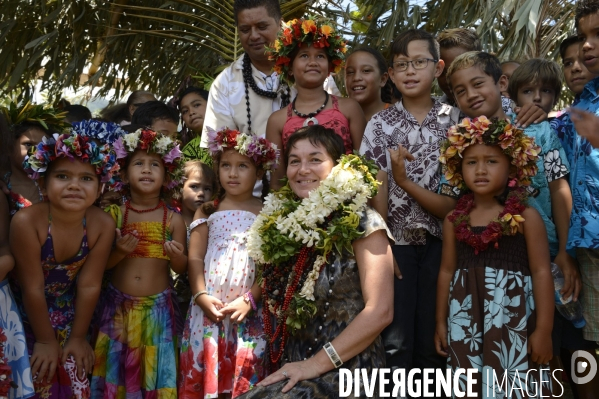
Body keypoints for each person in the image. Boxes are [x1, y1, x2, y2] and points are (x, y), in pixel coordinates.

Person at [238, 125, 393, 397]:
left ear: (338, 168)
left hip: (349, 372)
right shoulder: (285, 227)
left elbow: (380, 311)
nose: (303, 169)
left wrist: (315, 364)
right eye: (294, 161)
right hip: (294, 368)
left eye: (315, 159)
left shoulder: (363, 222)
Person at [360, 29, 460, 396]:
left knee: (432, 337)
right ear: (390, 73)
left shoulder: (456, 121)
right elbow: (376, 185)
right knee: (395, 339)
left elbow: (454, 199)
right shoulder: (381, 124)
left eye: (419, 62)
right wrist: (384, 244)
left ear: (438, 68)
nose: (410, 71)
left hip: (443, 244)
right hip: (397, 244)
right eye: (401, 65)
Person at [435, 116, 554, 396]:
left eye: (491, 161)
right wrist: (440, 322)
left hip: (513, 321)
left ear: (512, 166)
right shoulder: (454, 220)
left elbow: (541, 272)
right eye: (471, 162)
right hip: (466, 322)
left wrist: (545, 330)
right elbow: (445, 272)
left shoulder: (526, 217)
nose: (480, 170)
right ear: (458, 168)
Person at [10, 132, 118, 398]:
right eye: (62, 177)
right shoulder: (28, 222)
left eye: (86, 179)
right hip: (24, 313)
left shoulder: (101, 224)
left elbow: (90, 284)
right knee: (36, 376)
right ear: (43, 185)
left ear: (100, 187)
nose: (74, 185)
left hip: (74, 313)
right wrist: (46, 341)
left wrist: (78, 337)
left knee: (76, 372)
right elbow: (32, 287)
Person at [179, 127, 278, 398]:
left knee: (245, 376)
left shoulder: (268, 210)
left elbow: (270, 265)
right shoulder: (209, 209)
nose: (232, 173)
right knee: (206, 372)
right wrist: (200, 295)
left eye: (242, 166)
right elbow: (196, 256)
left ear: (259, 172)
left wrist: (250, 299)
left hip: (248, 312)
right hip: (209, 309)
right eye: (226, 165)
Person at [91, 129, 187, 399]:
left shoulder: (173, 220)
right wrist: (120, 252)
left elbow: (180, 269)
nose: (147, 170)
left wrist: (177, 256)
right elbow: (102, 267)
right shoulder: (114, 215)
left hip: (157, 312)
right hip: (117, 308)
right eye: (139, 164)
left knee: (153, 372)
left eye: (154, 165)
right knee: (116, 370)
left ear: (167, 177)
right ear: (123, 174)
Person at [266, 16, 365, 190]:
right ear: (288, 66)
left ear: (329, 66)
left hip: (349, 209)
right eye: (304, 56)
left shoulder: (349, 108)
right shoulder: (277, 121)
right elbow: (277, 182)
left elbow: (365, 168)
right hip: (297, 212)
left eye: (320, 56)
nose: (312, 62)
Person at [551, 0, 599, 362]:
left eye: (596, 34)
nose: (584, 46)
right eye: (584, 36)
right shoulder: (585, 105)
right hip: (590, 244)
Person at [201, 0, 284, 143]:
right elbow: (219, 151)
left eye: (262, 27)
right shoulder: (224, 85)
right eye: (245, 30)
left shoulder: (310, 70)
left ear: (280, 25)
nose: (254, 36)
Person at [435, 28, 544, 127]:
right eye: (443, 71)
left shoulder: (514, 108)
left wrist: (535, 112)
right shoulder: (432, 114)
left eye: (463, 65)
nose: (449, 79)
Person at [0, 112, 33, 399]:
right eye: (26, 144)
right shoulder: (3, 185)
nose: (32, 151)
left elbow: (4, 249)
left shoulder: (52, 186)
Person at [0, 102, 70, 217]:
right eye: (28, 144)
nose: (36, 151)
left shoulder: (53, 182)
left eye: (44, 145)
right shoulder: (3, 182)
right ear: (10, 146)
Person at [173, 160, 216, 322]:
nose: (201, 193)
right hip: (175, 294)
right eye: (194, 186)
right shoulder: (171, 218)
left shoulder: (212, 221)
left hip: (204, 294)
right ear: (179, 187)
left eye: (207, 188)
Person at [345, 47, 393, 121]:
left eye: (366, 70)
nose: (356, 78)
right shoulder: (337, 119)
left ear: (383, 79)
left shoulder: (400, 117)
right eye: (350, 72)